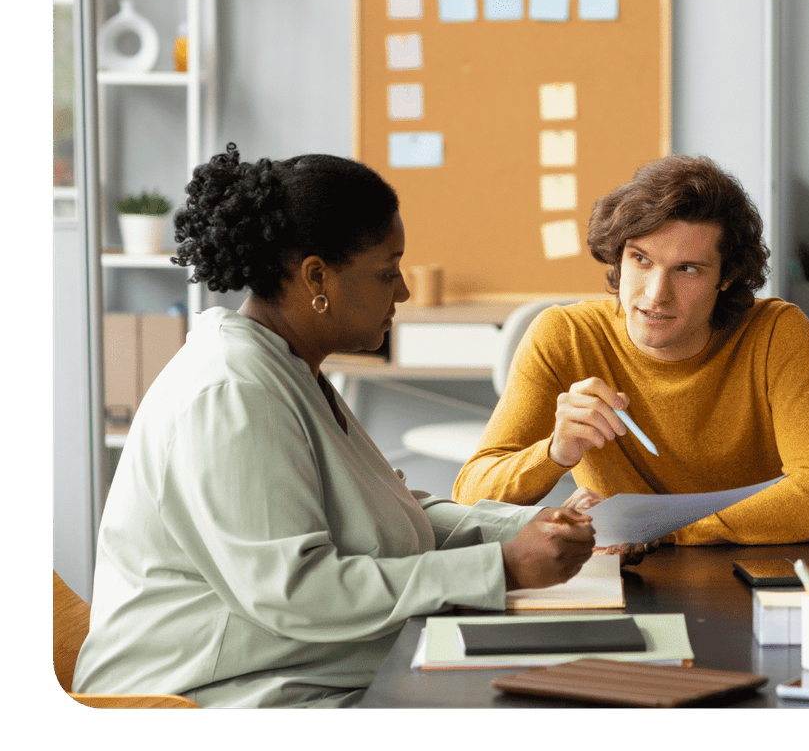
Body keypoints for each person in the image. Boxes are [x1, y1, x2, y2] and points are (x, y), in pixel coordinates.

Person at [72, 144, 596, 709]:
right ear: (316, 276)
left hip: (296, 668)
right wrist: (500, 566)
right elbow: (298, 593)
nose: (403, 292)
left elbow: (384, 512)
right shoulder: (232, 391)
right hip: (208, 696)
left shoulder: (287, 366)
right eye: (387, 272)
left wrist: (522, 527)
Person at [453, 154, 809, 547]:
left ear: (728, 276)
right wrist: (554, 453)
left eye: (687, 269)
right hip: (626, 574)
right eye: (641, 259)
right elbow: (468, 498)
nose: (655, 294)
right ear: (618, 257)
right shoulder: (564, 335)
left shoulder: (775, 333)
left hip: (749, 570)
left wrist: (670, 532)